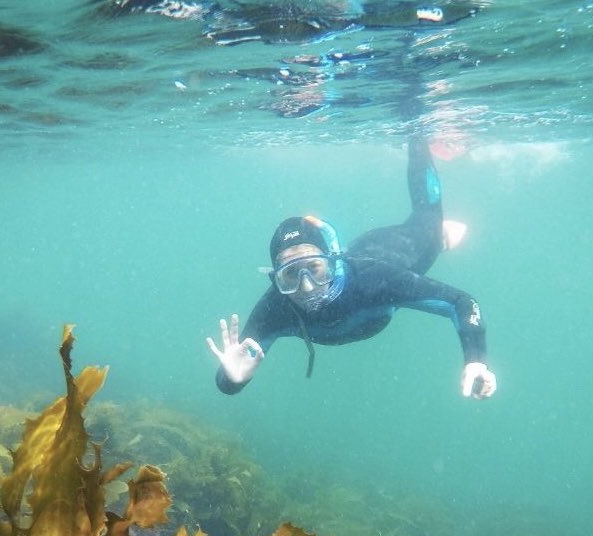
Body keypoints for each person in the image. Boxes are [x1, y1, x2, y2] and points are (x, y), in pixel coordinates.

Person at [206, 138, 497, 399]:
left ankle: (418, 133)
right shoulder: (275, 308)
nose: (306, 286)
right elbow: (230, 376)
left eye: (315, 269)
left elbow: (462, 302)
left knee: (430, 222)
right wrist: (233, 380)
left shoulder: (375, 280)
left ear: (333, 262)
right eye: (291, 275)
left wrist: (476, 361)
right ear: (276, 279)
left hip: (398, 249)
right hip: (361, 251)